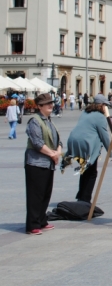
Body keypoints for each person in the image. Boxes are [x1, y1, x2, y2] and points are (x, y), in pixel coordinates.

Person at [60, 94, 112, 203]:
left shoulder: (85, 112)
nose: (105, 108)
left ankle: (81, 197)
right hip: (86, 144)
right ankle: (85, 200)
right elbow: (105, 138)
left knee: (85, 169)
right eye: (105, 105)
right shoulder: (100, 117)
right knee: (91, 173)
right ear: (101, 105)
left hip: (73, 141)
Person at [24, 93, 62, 235]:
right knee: (35, 195)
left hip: (48, 163)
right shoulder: (34, 121)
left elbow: (58, 141)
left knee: (46, 193)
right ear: (39, 107)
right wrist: (52, 154)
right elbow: (37, 142)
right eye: (47, 104)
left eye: (51, 103)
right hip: (35, 163)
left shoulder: (48, 121)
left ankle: (41, 220)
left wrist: (58, 151)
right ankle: (32, 224)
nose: (50, 105)